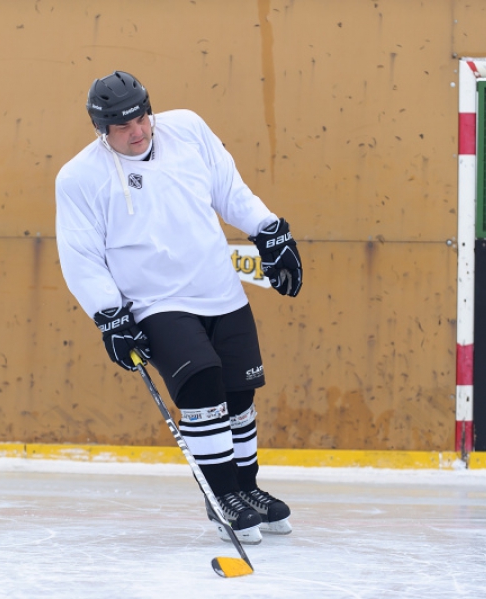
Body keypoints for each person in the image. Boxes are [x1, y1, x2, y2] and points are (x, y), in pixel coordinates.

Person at [55, 70, 303, 545]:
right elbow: (80, 255)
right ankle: (221, 496)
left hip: (219, 287)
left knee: (240, 394)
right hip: (155, 302)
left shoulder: (187, 128)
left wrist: (270, 231)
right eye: (123, 126)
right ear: (101, 128)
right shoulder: (79, 178)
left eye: (142, 118)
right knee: (202, 389)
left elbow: (229, 190)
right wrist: (109, 316)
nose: (138, 131)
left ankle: (246, 489)